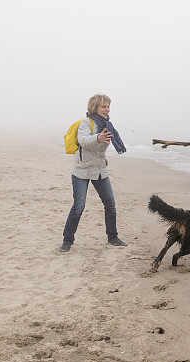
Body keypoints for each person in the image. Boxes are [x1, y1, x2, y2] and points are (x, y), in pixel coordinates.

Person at [59, 94, 128, 252]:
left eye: (108, 106)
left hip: (100, 170)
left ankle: (113, 237)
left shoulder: (107, 125)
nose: (107, 109)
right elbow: (83, 141)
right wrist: (98, 137)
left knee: (110, 205)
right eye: (103, 106)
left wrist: (103, 136)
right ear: (94, 107)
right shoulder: (86, 122)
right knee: (78, 207)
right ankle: (67, 241)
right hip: (81, 170)